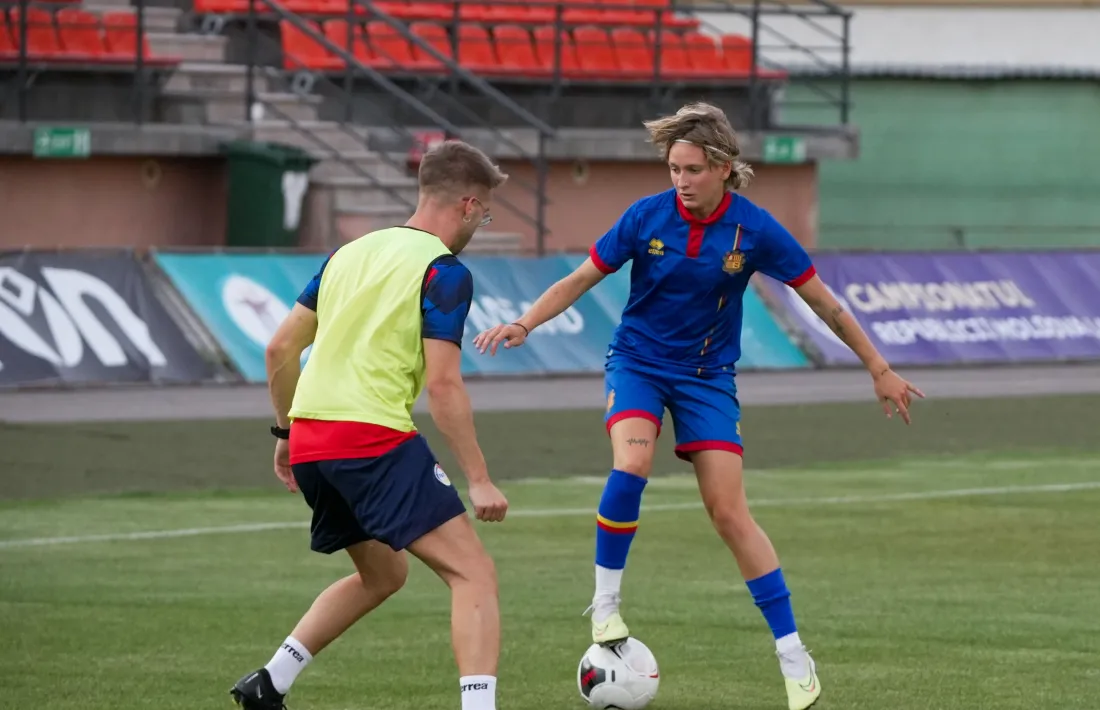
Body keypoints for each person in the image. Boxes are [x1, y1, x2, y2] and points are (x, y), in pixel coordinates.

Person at [473, 103, 923, 710]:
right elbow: (581, 277)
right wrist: (525, 322)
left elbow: (825, 303)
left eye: (690, 168)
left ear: (722, 168)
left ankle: (794, 657)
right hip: (637, 364)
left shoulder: (755, 230)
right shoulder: (646, 216)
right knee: (630, 466)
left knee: (730, 514)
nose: (679, 180)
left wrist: (878, 366)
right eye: (672, 168)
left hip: (708, 378)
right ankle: (605, 608)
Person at [230, 140, 510, 710]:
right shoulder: (444, 272)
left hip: (313, 440)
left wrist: (287, 434)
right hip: (370, 438)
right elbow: (443, 384)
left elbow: (280, 348)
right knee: (474, 575)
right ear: (465, 204)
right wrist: (478, 478)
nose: (482, 222)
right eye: (484, 212)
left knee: (384, 574)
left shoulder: (347, 254)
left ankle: (268, 683)